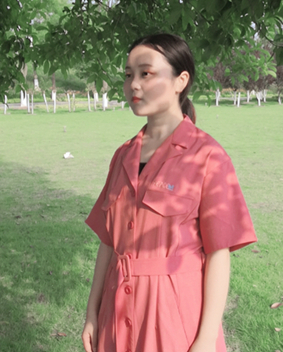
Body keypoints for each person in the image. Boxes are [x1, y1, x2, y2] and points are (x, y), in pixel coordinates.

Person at [81, 33, 257, 352]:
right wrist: (92, 312)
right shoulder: (123, 156)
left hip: (173, 319)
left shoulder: (207, 157)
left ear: (180, 80)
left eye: (146, 73)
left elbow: (218, 254)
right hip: (116, 313)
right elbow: (108, 243)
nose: (134, 85)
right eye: (128, 75)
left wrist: (206, 339)